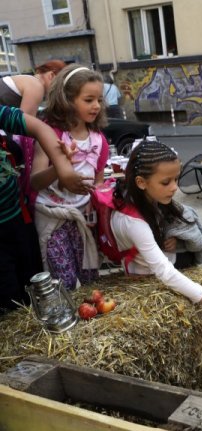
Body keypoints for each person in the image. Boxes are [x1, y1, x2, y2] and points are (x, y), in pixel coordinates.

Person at [110, 140, 202, 324]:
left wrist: (176, 239)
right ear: (141, 182)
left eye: (176, 179)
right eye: (166, 182)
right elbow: (164, 272)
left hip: (153, 260)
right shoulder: (133, 222)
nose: (174, 187)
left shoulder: (139, 198)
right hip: (146, 273)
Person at [0, 104, 90, 314]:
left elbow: (41, 129)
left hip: (17, 219)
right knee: (10, 305)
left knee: (34, 288)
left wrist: (64, 169)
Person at [30, 65, 110, 290]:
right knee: (63, 281)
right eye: (88, 100)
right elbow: (34, 181)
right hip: (53, 217)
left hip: (83, 218)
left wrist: (99, 206)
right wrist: (59, 167)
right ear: (67, 99)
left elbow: (98, 183)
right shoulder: (51, 134)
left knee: (89, 277)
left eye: (99, 100)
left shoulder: (99, 140)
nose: (96, 106)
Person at [0, 59, 68, 209]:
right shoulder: (36, 86)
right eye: (59, 85)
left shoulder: (26, 80)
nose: (59, 91)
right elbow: (23, 130)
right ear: (51, 75)